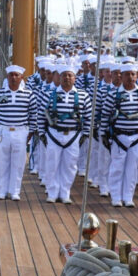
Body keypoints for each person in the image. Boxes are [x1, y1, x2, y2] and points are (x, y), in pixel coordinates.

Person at [101, 63, 138, 207]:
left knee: (132, 169)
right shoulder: (113, 94)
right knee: (117, 168)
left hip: (137, 137)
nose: (130, 77)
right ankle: (116, 197)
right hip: (119, 137)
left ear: (137, 76)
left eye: (132, 74)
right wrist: (103, 134)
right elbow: (105, 115)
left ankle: (128, 197)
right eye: (126, 74)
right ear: (121, 76)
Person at [38, 65, 91, 204]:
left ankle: (65, 192)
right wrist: (41, 133)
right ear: (59, 78)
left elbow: (88, 116)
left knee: (70, 165)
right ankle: (52, 192)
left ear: (75, 78)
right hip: (54, 133)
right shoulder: (49, 94)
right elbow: (41, 114)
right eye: (64, 75)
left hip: (73, 134)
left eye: (70, 75)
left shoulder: (83, 96)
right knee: (52, 164)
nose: (67, 78)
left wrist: (85, 134)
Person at [0, 65, 33, 201]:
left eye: (16, 75)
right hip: (4, 131)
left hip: (21, 131)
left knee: (18, 164)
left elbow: (33, 115)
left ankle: (15, 191)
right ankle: (2, 191)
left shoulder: (29, 95)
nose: (13, 78)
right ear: (7, 77)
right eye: (11, 75)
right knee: (2, 163)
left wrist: (30, 133)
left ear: (21, 78)